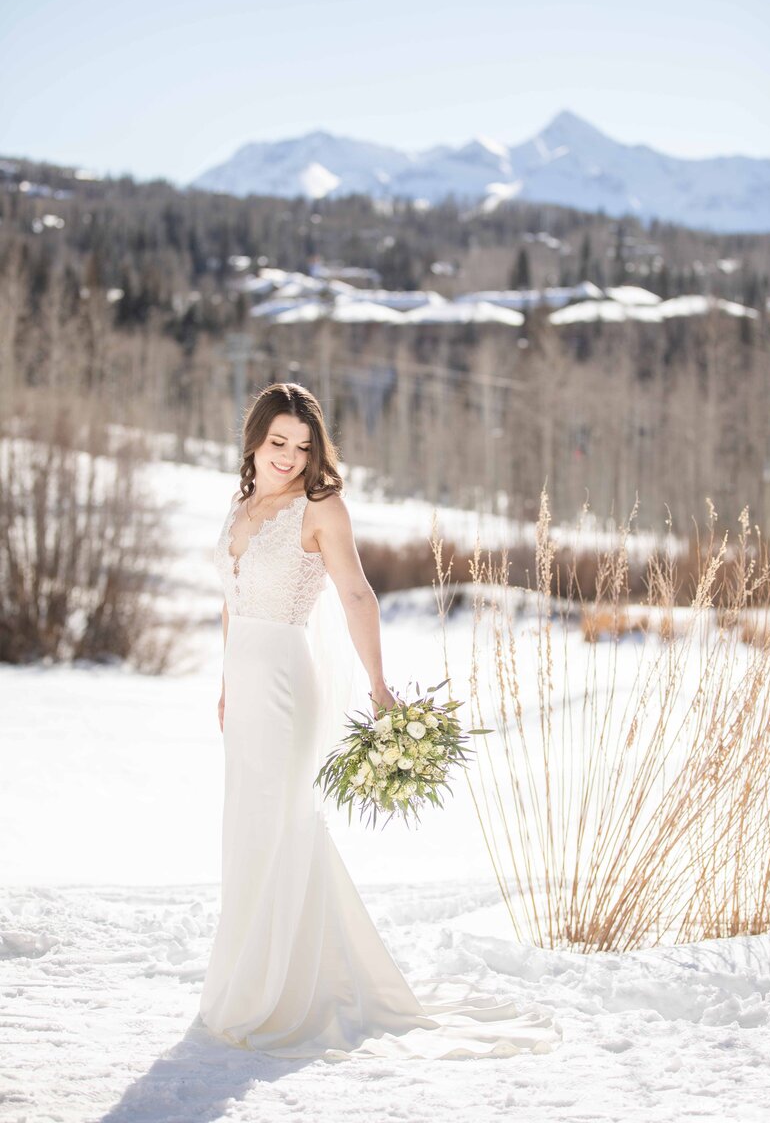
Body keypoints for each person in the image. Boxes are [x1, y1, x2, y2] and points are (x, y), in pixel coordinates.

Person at [196, 381, 561, 1060]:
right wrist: (223, 679)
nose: (288, 458)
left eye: (302, 447)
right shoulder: (241, 502)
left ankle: (280, 991)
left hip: (283, 679)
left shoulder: (321, 506)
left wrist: (378, 683)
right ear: (254, 438)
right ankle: (243, 978)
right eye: (277, 443)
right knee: (245, 826)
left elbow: (357, 593)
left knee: (281, 824)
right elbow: (231, 600)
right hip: (244, 682)